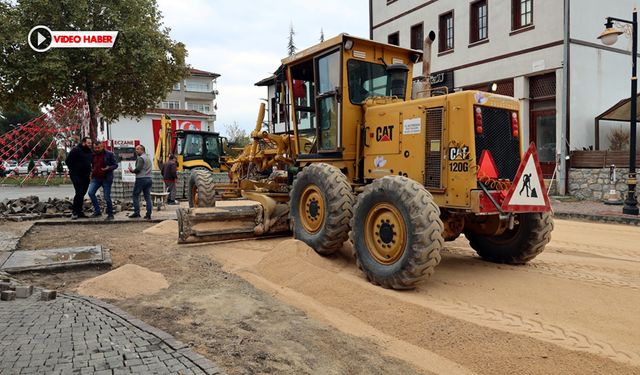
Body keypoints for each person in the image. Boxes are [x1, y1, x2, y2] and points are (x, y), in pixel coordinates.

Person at [87, 142, 118, 220]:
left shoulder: (109, 154)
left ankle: (110, 214)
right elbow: (92, 164)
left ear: (102, 147)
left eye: (98, 148)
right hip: (96, 178)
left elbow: (115, 165)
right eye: (95, 148)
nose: (96, 149)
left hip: (106, 178)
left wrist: (108, 168)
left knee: (106, 196)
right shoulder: (93, 155)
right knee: (91, 193)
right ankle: (97, 211)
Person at [66, 137, 93, 220]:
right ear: (83, 143)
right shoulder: (76, 150)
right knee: (79, 192)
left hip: (85, 176)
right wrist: (74, 169)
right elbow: (68, 161)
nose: (90, 144)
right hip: (76, 175)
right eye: (88, 143)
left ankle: (80, 212)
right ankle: (74, 212)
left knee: (82, 193)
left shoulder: (90, 152)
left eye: (90, 143)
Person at [128, 144, 153, 219]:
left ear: (142, 150)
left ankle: (136, 212)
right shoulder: (148, 158)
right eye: (136, 149)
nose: (136, 151)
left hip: (141, 179)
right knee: (147, 197)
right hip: (149, 178)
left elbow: (138, 168)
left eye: (138, 149)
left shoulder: (140, 158)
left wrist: (132, 170)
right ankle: (148, 214)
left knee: (135, 195)